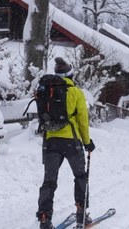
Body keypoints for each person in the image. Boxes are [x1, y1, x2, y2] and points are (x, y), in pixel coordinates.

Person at [36, 57, 96, 229]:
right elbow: (82, 120)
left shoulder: (46, 90)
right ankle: (81, 214)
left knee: (49, 181)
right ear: (71, 74)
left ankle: (45, 219)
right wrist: (87, 142)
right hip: (71, 141)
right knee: (80, 177)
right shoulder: (76, 92)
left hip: (50, 141)